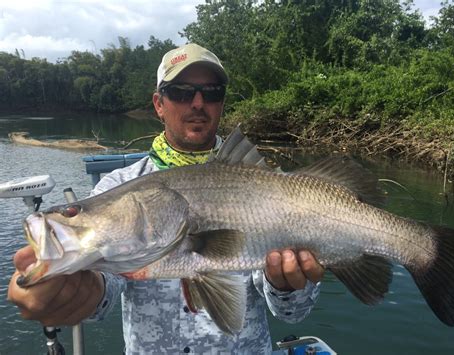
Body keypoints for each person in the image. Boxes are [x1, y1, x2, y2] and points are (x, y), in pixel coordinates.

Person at [8, 43, 325, 354]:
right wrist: (73, 293)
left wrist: (286, 285)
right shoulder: (120, 185)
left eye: (212, 92)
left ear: (222, 103)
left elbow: (291, 314)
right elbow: (101, 288)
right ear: (159, 103)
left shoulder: (271, 189)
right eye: (182, 92)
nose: (198, 102)